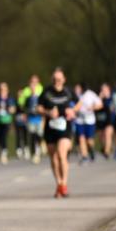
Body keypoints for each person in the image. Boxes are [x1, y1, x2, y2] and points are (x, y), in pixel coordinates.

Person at [36, 68, 81, 198]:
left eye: (59, 79)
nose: (57, 82)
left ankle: (64, 184)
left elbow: (79, 103)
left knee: (61, 154)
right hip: (50, 128)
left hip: (65, 126)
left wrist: (72, 111)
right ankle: (59, 183)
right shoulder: (46, 92)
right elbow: (38, 107)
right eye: (55, 79)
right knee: (54, 158)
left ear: (64, 80)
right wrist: (48, 113)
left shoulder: (68, 91)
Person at [17, 75, 45, 163]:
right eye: (32, 83)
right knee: (32, 135)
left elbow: (45, 104)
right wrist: (19, 97)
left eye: (35, 82)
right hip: (31, 118)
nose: (33, 85)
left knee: (39, 134)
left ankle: (39, 147)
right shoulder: (26, 93)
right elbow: (22, 105)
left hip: (39, 117)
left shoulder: (41, 92)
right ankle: (35, 152)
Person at [74, 83, 102, 163]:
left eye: (78, 88)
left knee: (89, 140)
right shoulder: (75, 96)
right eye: (76, 88)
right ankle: (84, 156)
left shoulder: (90, 94)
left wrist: (92, 107)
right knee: (81, 138)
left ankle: (92, 151)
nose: (77, 90)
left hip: (89, 120)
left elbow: (100, 104)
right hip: (79, 120)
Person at [96, 82, 116, 159]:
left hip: (110, 119)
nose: (103, 90)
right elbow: (96, 106)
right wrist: (100, 98)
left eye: (104, 89)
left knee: (108, 134)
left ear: (108, 89)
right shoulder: (100, 98)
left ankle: (107, 152)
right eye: (102, 89)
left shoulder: (112, 98)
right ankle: (105, 148)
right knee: (101, 137)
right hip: (101, 120)